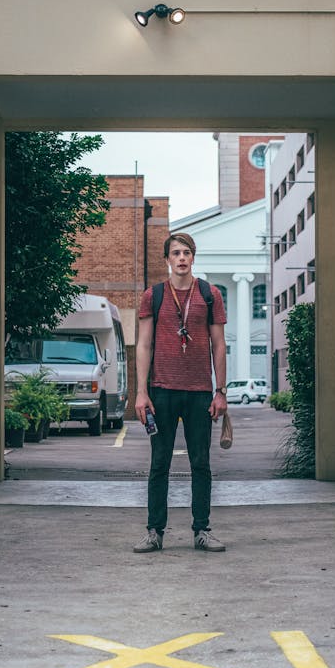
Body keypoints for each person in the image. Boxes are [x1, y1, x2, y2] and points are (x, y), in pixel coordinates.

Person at [133, 232, 228, 553]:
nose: (182, 258)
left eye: (186, 252)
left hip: (200, 393)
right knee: (159, 463)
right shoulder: (154, 296)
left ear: (193, 257)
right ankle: (154, 532)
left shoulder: (209, 295)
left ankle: (202, 530)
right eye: (176, 253)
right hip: (161, 392)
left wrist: (221, 392)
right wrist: (141, 392)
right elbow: (144, 345)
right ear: (167, 259)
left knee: (201, 463)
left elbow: (219, 344)